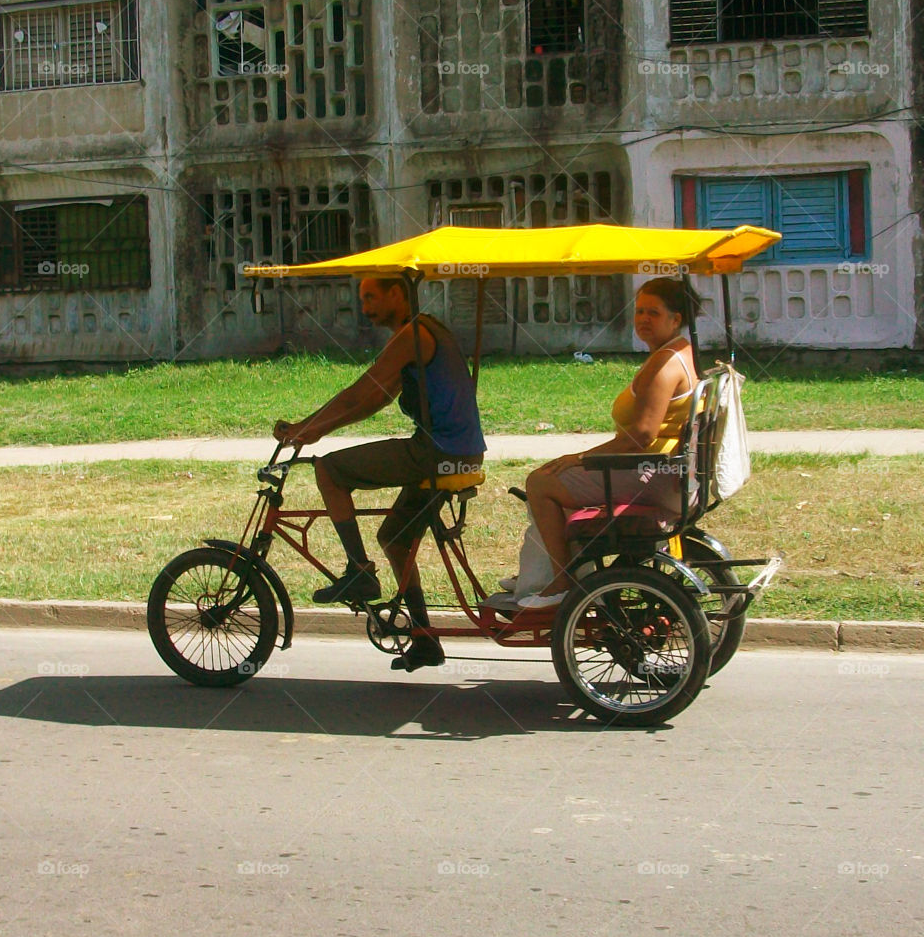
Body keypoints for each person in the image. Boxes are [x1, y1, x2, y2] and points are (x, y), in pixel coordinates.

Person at [273, 276, 486, 671]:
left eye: (372, 296)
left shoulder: (413, 334)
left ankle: (359, 572)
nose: (366, 305)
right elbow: (376, 396)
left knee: (330, 470)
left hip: (437, 454)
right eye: (362, 298)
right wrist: (314, 426)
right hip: (458, 454)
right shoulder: (420, 331)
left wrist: (311, 429)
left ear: (397, 293)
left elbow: (361, 391)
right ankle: (424, 641)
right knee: (394, 538)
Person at [515, 277, 699, 610]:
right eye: (639, 311)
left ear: (675, 319)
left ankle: (561, 584)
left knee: (540, 482)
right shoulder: (681, 351)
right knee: (554, 474)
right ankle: (538, 573)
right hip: (664, 473)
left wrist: (582, 457)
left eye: (653, 313)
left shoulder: (668, 363)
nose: (643, 319)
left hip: (650, 474)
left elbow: (643, 435)